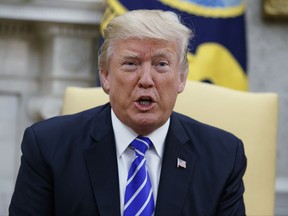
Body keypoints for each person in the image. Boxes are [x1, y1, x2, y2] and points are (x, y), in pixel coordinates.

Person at [9, 9, 246, 216]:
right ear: (105, 76)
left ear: (182, 78)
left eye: (161, 64)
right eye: (131, 63)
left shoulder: (222, 156)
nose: (146, 80)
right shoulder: (48, 146)